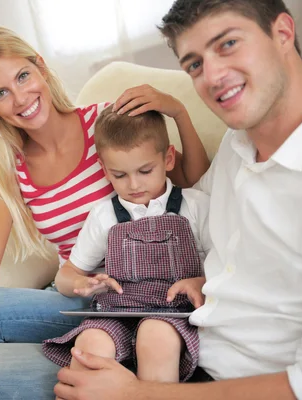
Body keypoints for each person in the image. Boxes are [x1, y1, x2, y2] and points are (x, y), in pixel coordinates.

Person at [0, 0, 302, 399]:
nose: (211, 77)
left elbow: (185, 192)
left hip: (168, 324)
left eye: (228, 44)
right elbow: (207, 210)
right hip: (107, 298)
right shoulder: (239, 145)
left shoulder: (108, 126)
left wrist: (178, 112)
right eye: (194, 64)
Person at [0, 26, 211, 400]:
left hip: (149, 289)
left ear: (41, 68)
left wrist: (178, 111)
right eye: (1, 93)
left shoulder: (105, 125)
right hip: (79, 292)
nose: (20, 98)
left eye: (22, 76)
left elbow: (188, 179)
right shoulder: (7, 173)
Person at [42, 104, 211, 384]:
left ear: (168, 158)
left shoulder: (195, 206)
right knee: (89, 345)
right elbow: (65, 275)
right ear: (104, 170)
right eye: (119, 175)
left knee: (155, 337)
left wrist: (201, 281)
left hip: (173, 316)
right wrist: (80, 284)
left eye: (145, 171)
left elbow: (231, 266)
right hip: (116, 313)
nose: (133, 185)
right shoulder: (103, 216)